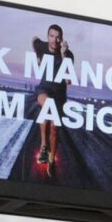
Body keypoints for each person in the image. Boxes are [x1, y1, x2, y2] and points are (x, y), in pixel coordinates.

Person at [32, 24, 74, 171]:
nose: (55, 40)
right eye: (52, 36)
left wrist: (63, 55)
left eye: (58, 37)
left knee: (55, 129)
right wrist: (37, 57)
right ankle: (44, 147)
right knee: (47, 106)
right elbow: (34, 40)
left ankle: (51, 159)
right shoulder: (41, 46)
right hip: (43, 89)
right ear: (48, 36)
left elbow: (69, 80)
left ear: (62, 39)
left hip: (59, 94)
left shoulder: (68, 54)